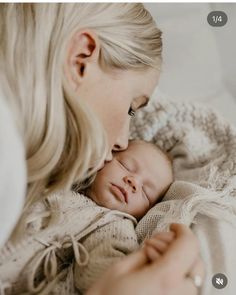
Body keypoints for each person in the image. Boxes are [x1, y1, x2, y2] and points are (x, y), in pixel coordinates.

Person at [0, 3, 204, 294]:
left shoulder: (111, 224)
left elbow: (107, 261)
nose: (121, 142)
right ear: (81, 59)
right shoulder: (10, 155)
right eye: (132, 109)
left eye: (147, 192)